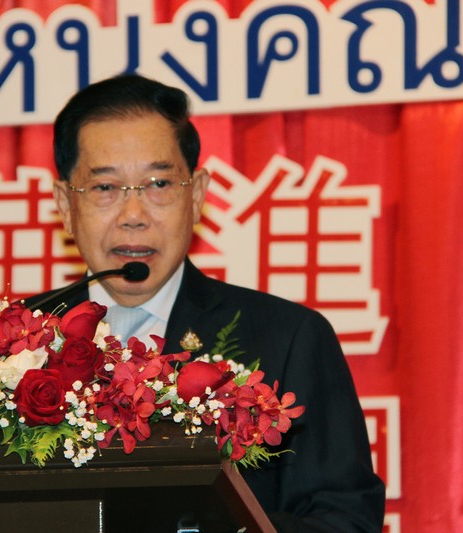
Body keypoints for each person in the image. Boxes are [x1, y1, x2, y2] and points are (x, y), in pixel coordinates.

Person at [25, 74, 386, 532]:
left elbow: (346, 521)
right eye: (104, 188)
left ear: (195, 195)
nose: (133, 216)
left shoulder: (287, 338)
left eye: (158, 183)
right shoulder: (15, 344)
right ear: (64, 204)